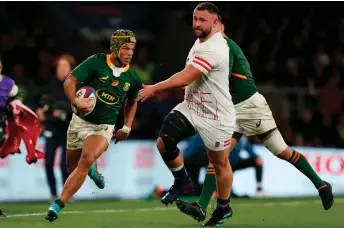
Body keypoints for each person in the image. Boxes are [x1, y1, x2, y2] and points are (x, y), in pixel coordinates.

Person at [175, 21, 334, 226]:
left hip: (250, 107)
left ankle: (322, 186)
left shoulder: (226, 47)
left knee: (282, 151)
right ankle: (205, 206)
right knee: (217, 157)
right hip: (232, 112)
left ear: (220, 28)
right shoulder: (211, 49)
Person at [137, 3, 235, 226]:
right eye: (195, 19)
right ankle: (182, 181)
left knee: (219, 163)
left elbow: (185, 78)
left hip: (216, 114)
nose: (197, 24)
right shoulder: (202, 39)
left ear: (215, 22)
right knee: (164, 142)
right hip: (192, 107)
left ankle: (223, 208)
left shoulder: (214, 47)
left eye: (202, 20)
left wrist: (154, 88)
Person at [45, 29, 142, 222]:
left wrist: (127, 127)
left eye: (132, 49)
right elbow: (70, 81)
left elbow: (133, 102)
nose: (130, 53)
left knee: (87, 157)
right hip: (79, 121)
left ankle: (57, 204)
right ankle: (92, 171)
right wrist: (75, 100)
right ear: (115, 48)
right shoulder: (96, 62)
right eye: (126, 48)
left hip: (104, 126)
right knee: (72, 166)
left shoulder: (132, 77)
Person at [35, 54, 75, 200]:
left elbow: (80, 105)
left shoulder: (74, 85)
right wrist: (38, 110)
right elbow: (36, 100)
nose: (62, 69)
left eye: (66, 66)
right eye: (60, 66)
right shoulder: (49, 85)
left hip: (68, 130)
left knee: (65, 165)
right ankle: (53, 193)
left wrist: (63, 110)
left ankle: (66, 194)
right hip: (52, 129)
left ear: (71, 69)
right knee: (48, 163)